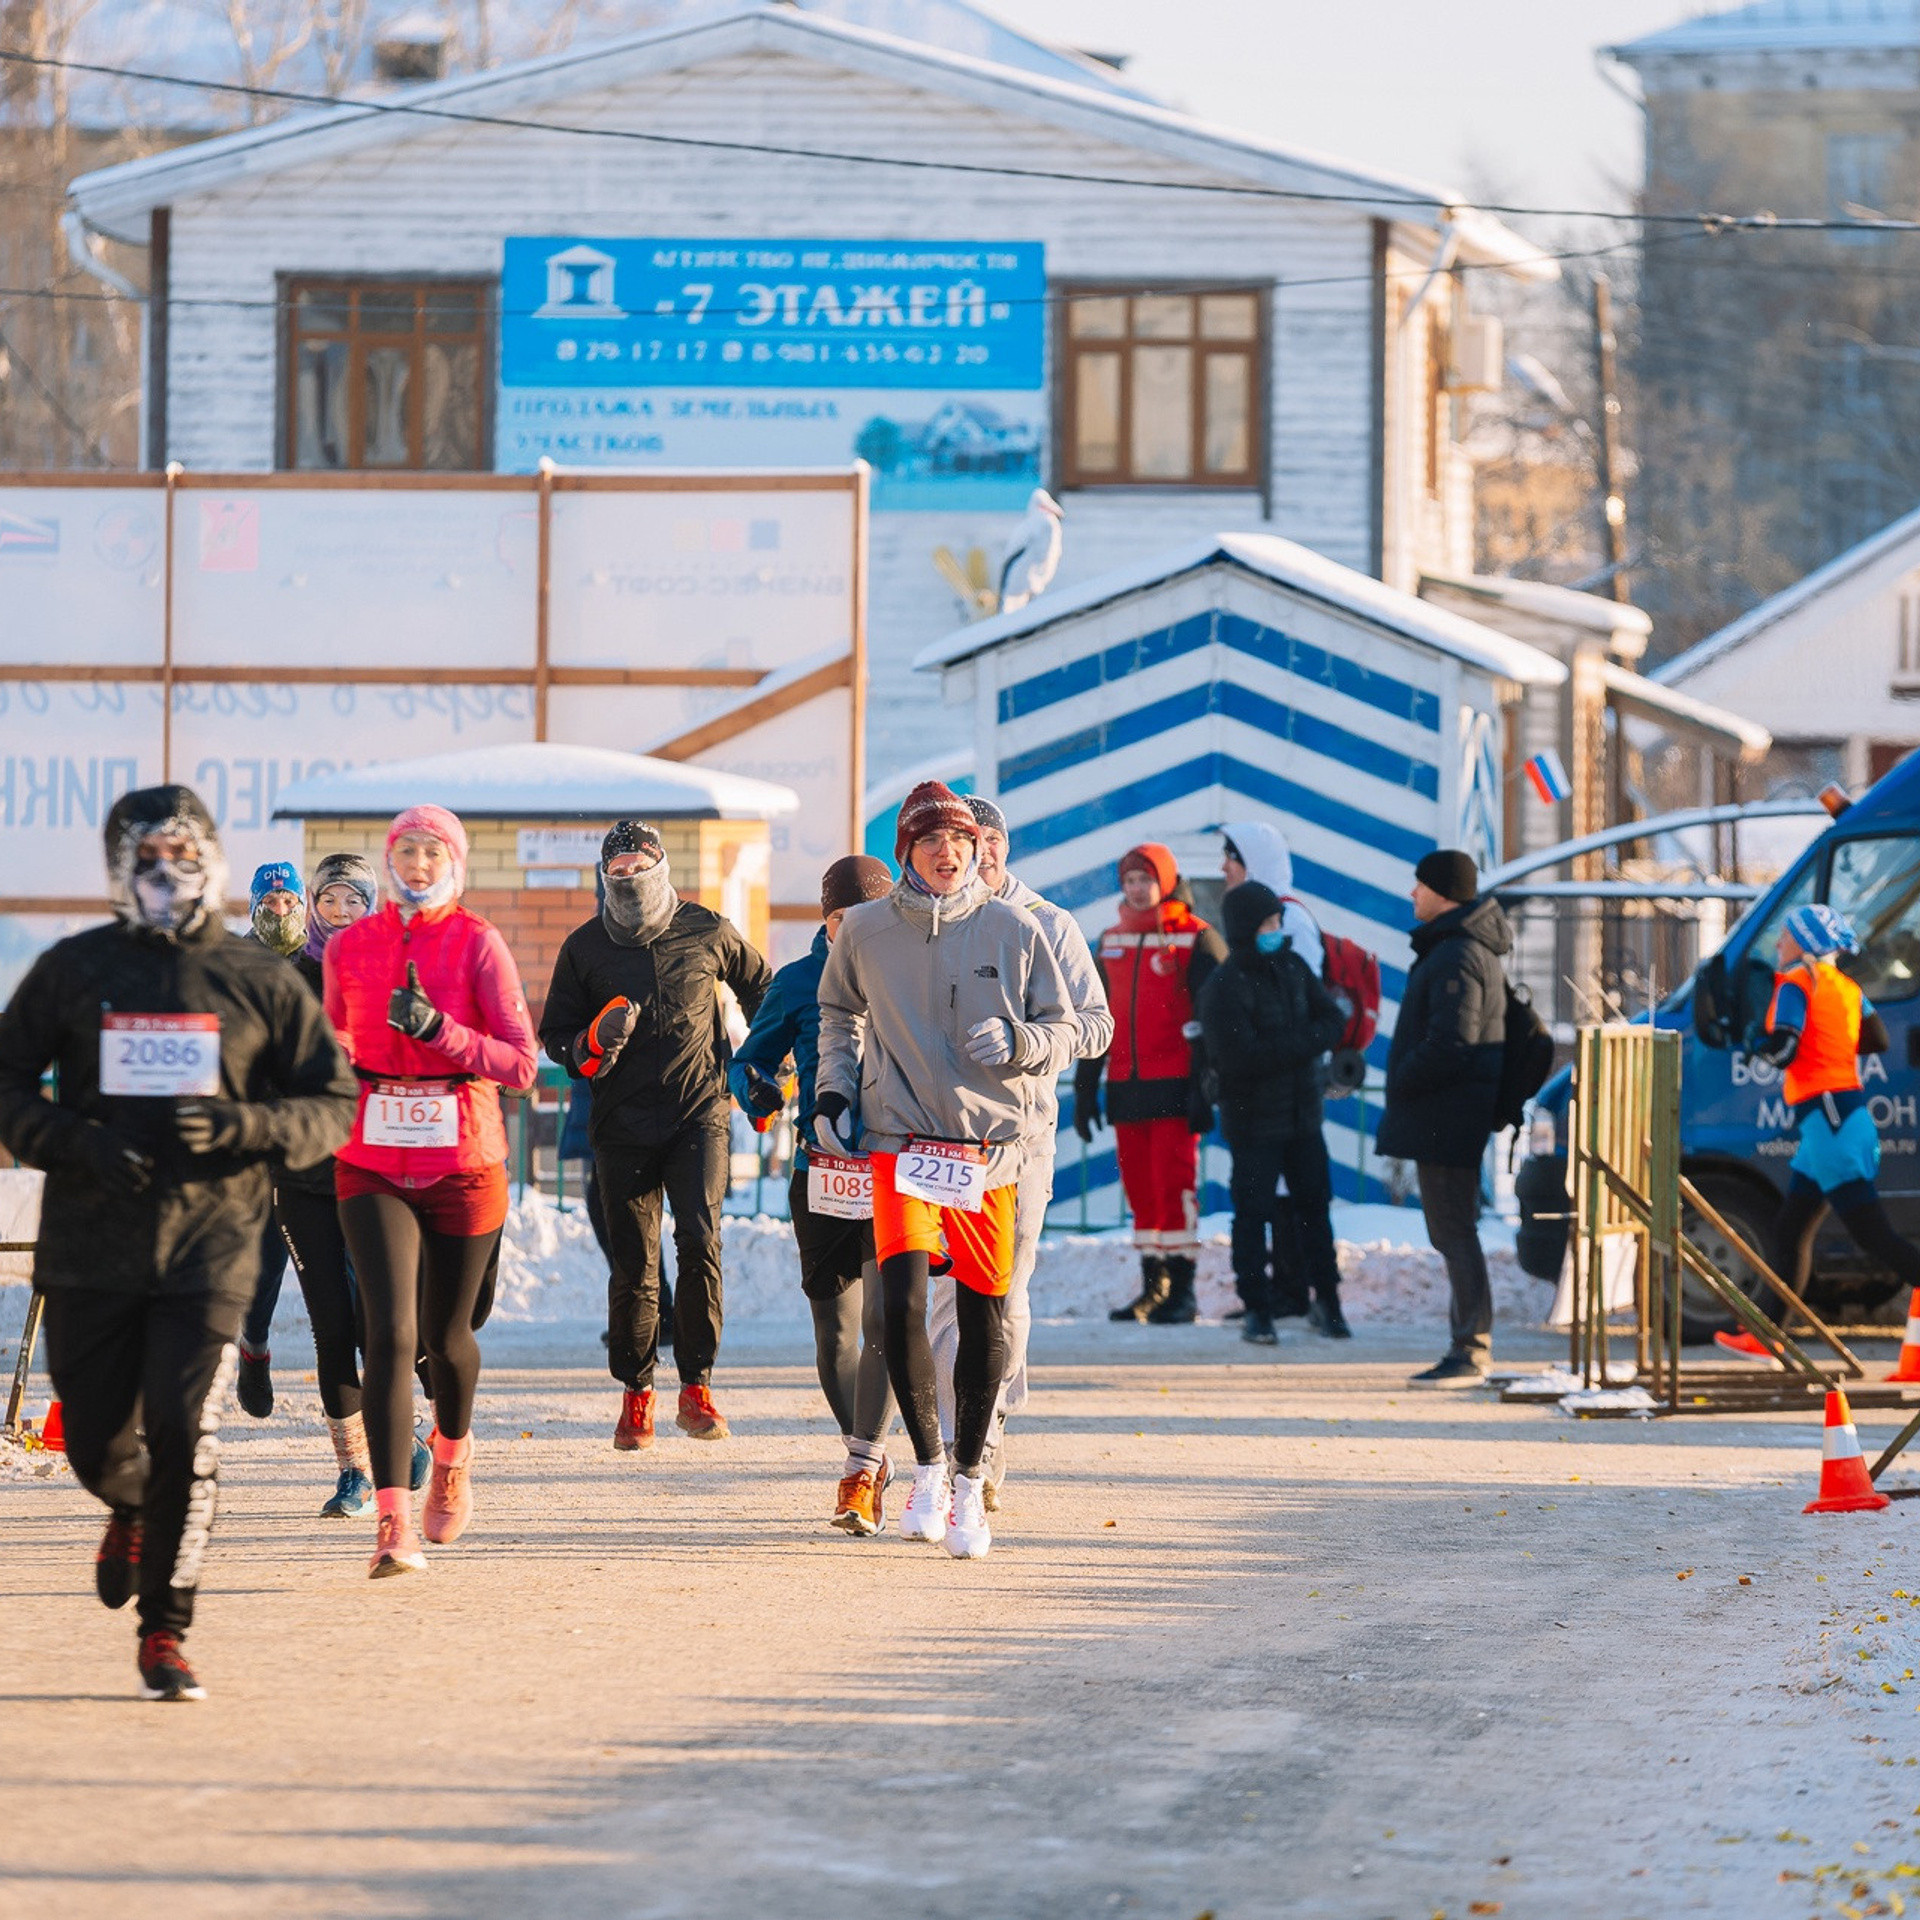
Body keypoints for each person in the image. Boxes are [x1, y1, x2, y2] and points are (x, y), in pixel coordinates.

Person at [0, 786, 356, 1699]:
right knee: (95, 1441)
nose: (167, 876)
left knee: (183, 1429)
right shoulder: (74, 969)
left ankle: (166, 1631)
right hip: (91, 1245)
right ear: (122, 869)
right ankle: (127, 1505)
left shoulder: (260, 979)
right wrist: (74, 1142)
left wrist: (244, 1126)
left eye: (183, 856)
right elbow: (6, 1087)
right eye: (148, 860)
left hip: (211, 1248)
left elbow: (330, 1103)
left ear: (213, 862)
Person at [815, 782, 1077, 1560]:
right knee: (899, 1304)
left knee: (983, 1315)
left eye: (960, 841)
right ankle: (927, 1470)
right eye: (931, 841)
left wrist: (1023, 1044)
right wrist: (835, 1087)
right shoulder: (863, 930)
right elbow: (838, 1013)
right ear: (908, 852)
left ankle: (970, 1481)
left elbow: (1068, 1027)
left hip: (987, 1151)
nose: (948, 852)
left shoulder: (1015, 928)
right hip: (901, 1146)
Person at [326, 805, 538, 1575]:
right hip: (372, 1156)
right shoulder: (352, 946)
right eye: (405, 850)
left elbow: (520, 1063)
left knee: (447, 1339)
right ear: (389, 860)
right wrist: (332, 1057)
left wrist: (437, 1031)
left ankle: (450, 1456)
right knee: (388, 1334)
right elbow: (332, 1037)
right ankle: (393, 1523)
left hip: (463, 1158)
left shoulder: (477, 941)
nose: (417, 863)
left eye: (431, 851)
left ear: (453, 861)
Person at [540, 822, 770, 1448]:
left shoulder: (705, 928)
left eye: (641, 864)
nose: (630, 876)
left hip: (700, 1114)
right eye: (618, 868)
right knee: (636, 1264)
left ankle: (696, 1387)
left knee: (699, 1240)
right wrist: (587, 1043)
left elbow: (763, 989)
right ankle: (636, 1394)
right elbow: (554, 1034)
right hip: (621, 1126)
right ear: (604, 875)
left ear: (661, 866)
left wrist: (762, 1061)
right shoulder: (585, 947)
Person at [927, 796, 1111, 1505]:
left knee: (1002, 1290)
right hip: (939, 1137)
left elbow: (1094, 1028)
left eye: (989, 839)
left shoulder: (1047, 924)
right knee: (945, 1294)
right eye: (966, 839)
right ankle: (953, 1440)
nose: (981, 851)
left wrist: (1026, 1042)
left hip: (1022, 1139)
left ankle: (991, 1422)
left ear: (1001, 847)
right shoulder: (933, 923)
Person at [731, 854, 898, 1533]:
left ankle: (860, 1471)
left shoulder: (907, 973)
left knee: (886, 1323)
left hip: (894, 1170)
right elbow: (748, 1059)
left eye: (864, 916)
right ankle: (871, 1455)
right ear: (825, 920)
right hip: (823, 1172)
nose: (850, 928)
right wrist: (758, 1091)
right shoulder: (800, 980)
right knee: (835, 1332)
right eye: (838, 916)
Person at [274, 850, 429, 1517]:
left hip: (371, 1172)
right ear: (313, 904)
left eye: (353, 901)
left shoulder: (389, 968)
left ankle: (403, 1435)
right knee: (330, 1328)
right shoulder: (285, 977)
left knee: (377, 1321)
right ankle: (353, 1473)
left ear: (372, 906)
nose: (339, 913)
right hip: (301, 1175)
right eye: (329, 900)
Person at [1746, 904, 1920, 1329]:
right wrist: (1828, 1049)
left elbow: (1784, 1049)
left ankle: (1766, 1337)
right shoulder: (1846, 987)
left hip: (1829, 1123)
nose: (1778, 943)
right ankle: (1766, 1337)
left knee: (1872, 1235)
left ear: (1804, 943)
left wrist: (1755, 1041)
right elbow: (1876, 1040)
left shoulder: (1795, 983)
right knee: (1790, 1230)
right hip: (1843, 1119)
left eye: (1785, 935)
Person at [1075, 845, 1226, 1325]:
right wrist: (1085, 1087)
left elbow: (1214, 1019)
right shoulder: (1110, 941)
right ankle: (1152, 1288)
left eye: (1146, 879)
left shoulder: (1196, 939)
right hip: (1125, 1085)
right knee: (1140, 1191)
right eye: (1130, 880)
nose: (1137, 889)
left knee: (1173, 1186)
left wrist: (1207, 1083)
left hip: (1177, 1084)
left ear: (1166, 882)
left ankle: (1182, 1290)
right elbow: (1095, 1018)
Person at [1377, 850, 1511, 1386]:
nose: (1413, 894)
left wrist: (1404, 1077)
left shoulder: (1458, 955)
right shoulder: (1453, 947)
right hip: (1449, 1114)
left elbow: (1452, 1040)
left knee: (1455, 1230)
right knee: (1451, 1230)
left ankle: (1471, 1345)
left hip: (1449, 1116)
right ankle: (1466, 1339)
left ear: (1444, 892)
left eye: (1420, 886)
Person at [1197, 882, 1348, 1345]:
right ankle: (1257, 1309)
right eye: (1267, 924)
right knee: (1252, 1215)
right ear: (1246, 928)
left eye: (1277, 923)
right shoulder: (1223, 986)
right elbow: (1242, 1058)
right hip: (1254, 1121)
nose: (1275, 930)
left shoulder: (1294, 966)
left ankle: (1328, 1301)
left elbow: (1333, 1019)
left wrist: (1296, 1047)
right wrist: (1305, 1045)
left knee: (1314, 1211)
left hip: (1304, 1115)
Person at [1219, 822, 1325, 1321]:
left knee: (1294, 1201)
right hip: (1265, 1102)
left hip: (1291, 1097)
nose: (1224, 869)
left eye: (1232, 859)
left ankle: (1293, 1290)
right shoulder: (1242, 950)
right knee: (1269, 1201)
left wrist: (1275, 1049)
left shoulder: (1290, 924)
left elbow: (1306, 1008)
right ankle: (1277, 1294)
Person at [234, 861, 308, 1418]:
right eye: (270, 904)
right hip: (256, 1138)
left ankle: (357, 1373)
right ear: (255, 908)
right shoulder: (236, 965)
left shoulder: (321, 964)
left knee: (339, 1269)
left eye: (289, 903)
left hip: (314, 1135)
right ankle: (254, 1348)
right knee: (263, 1265)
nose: (280, 912)